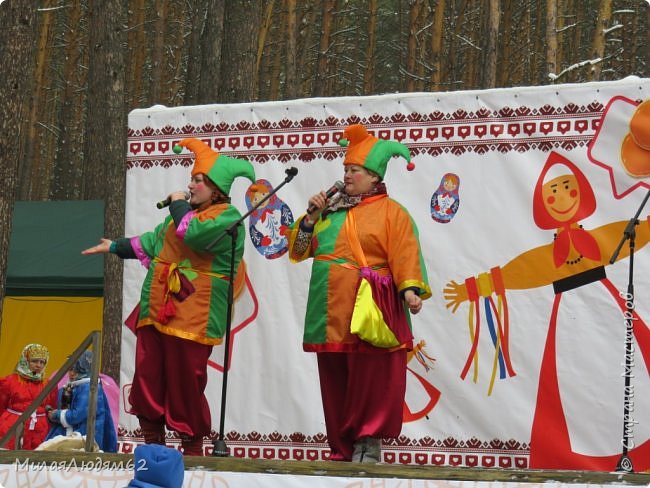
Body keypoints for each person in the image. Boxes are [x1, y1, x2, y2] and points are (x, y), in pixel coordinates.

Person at [443, 151, 650, 470]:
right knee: (574, 383)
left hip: (610, 308)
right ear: (543, 203)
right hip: (568, 320)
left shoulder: (600, 237)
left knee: (630, 371)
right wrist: (471, 289)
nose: (562, 198)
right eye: (552, 193)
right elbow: (516, 273)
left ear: (580, 192)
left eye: (568, 189)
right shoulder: (547, 255)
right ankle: (589, 456)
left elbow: (637, 229)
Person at [81, 138, 256, 456]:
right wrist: (115, 246)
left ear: (216, 189)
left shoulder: (228, 218)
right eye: (191, 179)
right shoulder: (181, 216)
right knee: (148, 379)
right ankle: (152, 449)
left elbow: (195, 235)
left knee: (184, 383)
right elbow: (153, 242)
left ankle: (191, 453)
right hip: (157, 306)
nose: (189, 185)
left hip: (194, 314)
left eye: (197, 180)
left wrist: (177, 203)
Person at [287, 123, 431, 463]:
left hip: (369, 306)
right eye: (346, 169)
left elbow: (406, 253)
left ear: (373, 176)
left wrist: (410, 289)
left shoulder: (392, 212)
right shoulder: (330, 212)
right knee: (335, 375)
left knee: (371, 377)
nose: (347, 175)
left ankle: (368, 441)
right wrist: (309, 219)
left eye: (354, 170)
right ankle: (341, 446)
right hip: (328, 308)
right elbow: (297, 249)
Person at [45, 350, 117, 452]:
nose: (72, 373)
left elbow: (78, 414)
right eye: (70, 369)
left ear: (86, 369)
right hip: (74, 433)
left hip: (85, 437)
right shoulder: (72, 386)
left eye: (77, 370)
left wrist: (57, 415)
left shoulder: (89, 388)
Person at [0, 344, 57, 449]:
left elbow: (52, 406)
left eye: (42, 362)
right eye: (34, 361)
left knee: (38, 461)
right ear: (25, 361)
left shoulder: (49, 384)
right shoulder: (9, 381)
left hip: (40, 430)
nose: (38, 365)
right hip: (12, 427)